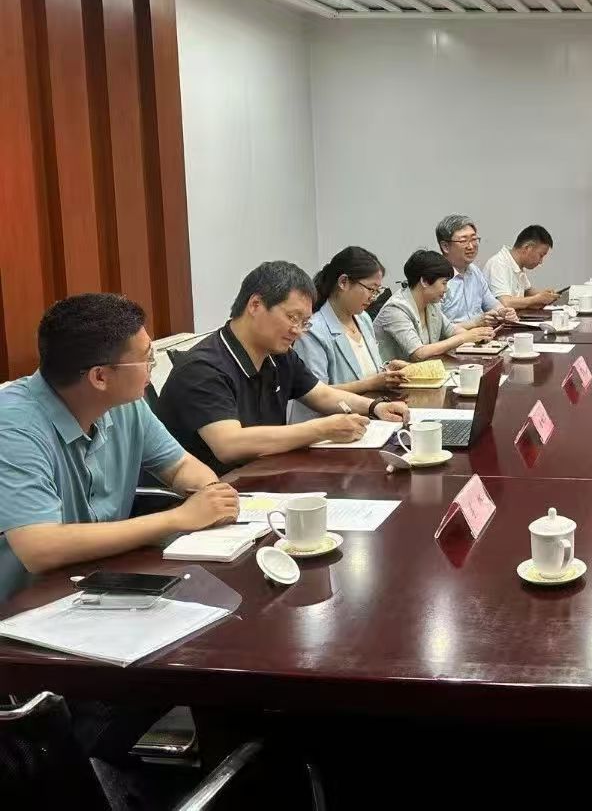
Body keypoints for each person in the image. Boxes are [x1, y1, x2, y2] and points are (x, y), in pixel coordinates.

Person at [0, 294, 241, 603]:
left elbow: (180, 466)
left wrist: (211, 496)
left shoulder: (126, 404)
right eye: (146, 358)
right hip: (23, 607)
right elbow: (39, 547)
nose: (152, 368)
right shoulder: (13, 427)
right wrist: (178, 518)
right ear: (100, 376)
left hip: (103, 584)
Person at [157, 261, 409, 475]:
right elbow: (229, 445)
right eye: (292, 317)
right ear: (255, 305)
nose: (298, 331)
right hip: (211, 493)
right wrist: (321, 429)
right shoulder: (203, 367)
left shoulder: (279, 355)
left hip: (265, 475)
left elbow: (321, 394)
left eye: (305, 322)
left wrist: (375, 407)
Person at [292, 246, 409, 422]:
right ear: (343, 282)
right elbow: (316, 393)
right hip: (328, 425)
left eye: (377, 291)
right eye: (371, 289)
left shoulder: (363, 319)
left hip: (369, 415)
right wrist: (371, 383)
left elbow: (365, 370)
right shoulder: (313, 330)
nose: (373, 297)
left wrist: (387, 371)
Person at [375, 250, 497, 362]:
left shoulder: (431, 303)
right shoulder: (396, 309)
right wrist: (464, 338)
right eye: (444, 283)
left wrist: (478, 336)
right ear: (424, 281)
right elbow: (418, 353)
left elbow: (451, 330)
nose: (446, 289)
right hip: (392, 375)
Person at [436, 214, 517, 326]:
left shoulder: (474, 271)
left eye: (474, 239)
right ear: (445, 247)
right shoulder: (436, 278)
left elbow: (491, 303)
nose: (471, 246)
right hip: (458, 336)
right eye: (463, 241)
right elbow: (437, 329)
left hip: (483, 333)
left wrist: (503, 312)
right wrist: (475, 323)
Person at [482, 224, 560, 311]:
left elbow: (526, 291)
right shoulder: (498, 264)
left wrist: (546, 296)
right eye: (541, 255)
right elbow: (505, 303)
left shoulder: (516, 264)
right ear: (527, 248)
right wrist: (536, 299)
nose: (541, 261)